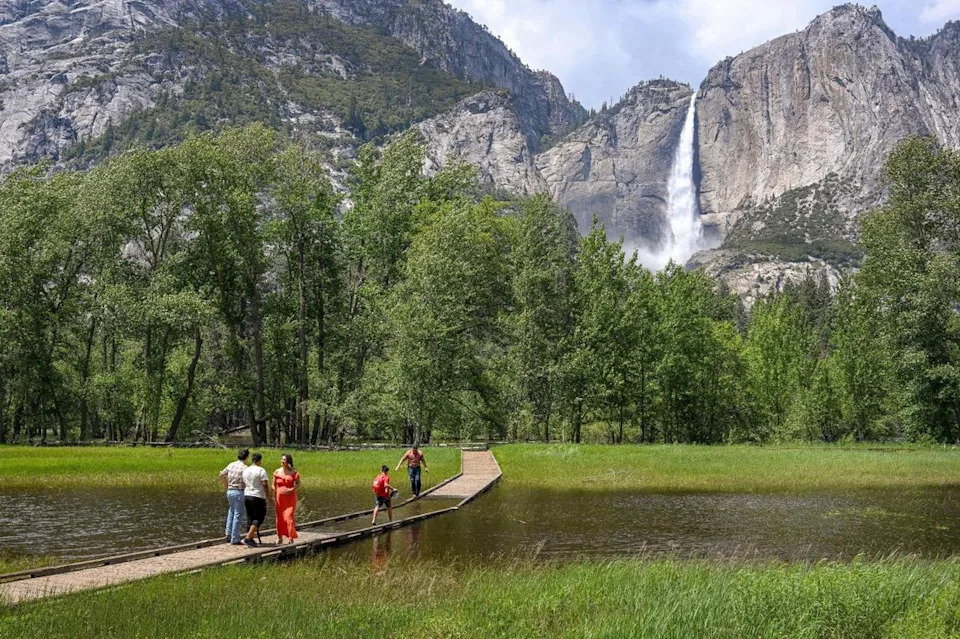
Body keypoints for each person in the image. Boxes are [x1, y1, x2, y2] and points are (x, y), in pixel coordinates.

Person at [219, 448, 250, 545]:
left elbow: (222, 474)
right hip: (239, 492)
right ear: (247, 457)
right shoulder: (245, 468)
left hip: (230, 491)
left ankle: (228, 533)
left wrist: (226, 485)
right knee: (238, 514)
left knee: (231, 511)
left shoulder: (231, 464)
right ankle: (235, 538)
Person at [242, 452, 271, 547]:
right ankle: (248, 538)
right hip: (257, 496)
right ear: (259, 461)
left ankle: (251, 539)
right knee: (259, 517)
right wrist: (267, 497)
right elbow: (265, 484)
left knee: (250, 517)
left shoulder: (246, 470)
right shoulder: (261, 470)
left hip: (247, 495)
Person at [273, 453, 301, 545]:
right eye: (281, 459)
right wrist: (273, 495)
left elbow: (298, 484)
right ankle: (279, 537)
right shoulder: (277, 471)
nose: (282, 461)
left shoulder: (293, 472)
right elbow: (273, 485)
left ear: (288, 461)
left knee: (288, 516)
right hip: (279, 498)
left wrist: (291, 489)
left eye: (284, 459)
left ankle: (290, 537)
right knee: (280, 517)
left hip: (290, 497)